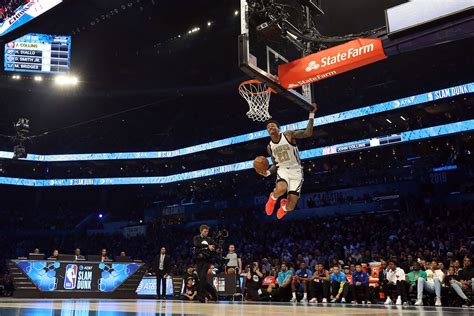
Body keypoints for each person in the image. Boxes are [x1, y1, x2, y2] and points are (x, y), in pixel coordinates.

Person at [258, 103, 318, 219]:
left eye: (273, 126)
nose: (270, 128)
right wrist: (268, 172)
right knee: (281, 189)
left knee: (290, 207)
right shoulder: (269, 147)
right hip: (283, 170)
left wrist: (311, 114)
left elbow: (308, 133)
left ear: (278, 129)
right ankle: (272, 198)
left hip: (296, 172)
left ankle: (283, 207)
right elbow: (275, 165)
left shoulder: (288, 135)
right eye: (268, 127)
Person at [193, 224, 217, 303]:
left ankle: (202, 296)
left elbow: (214, 248)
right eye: (205, 231)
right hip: (198, 261)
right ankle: (213, 293)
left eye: (207, 231)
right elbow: (196, 244)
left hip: (207, 261)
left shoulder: (209, 239)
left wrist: (213, 248)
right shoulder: (196, 238)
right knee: (202, 280)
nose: (206, 233)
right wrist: (207, 247)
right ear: (201, 231)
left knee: (203, 277)